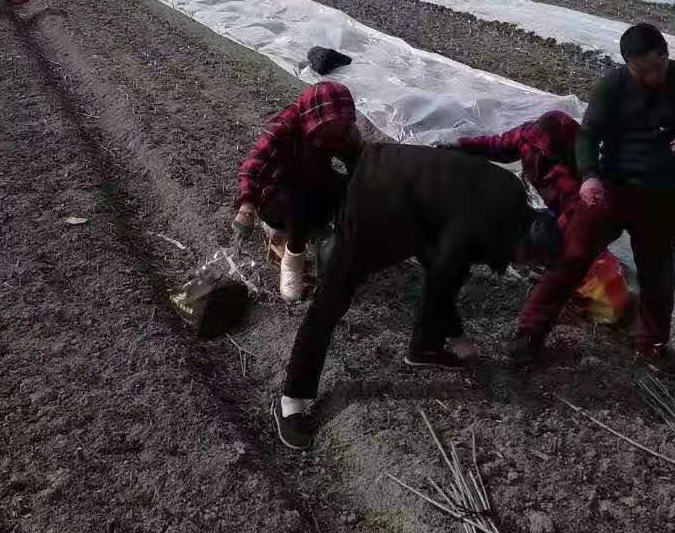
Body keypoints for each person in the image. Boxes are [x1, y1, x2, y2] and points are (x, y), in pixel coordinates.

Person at [272, 143, 562, 450]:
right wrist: (458, 334)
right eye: (526, 259)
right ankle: (292, 399)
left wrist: (453, 330)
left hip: (410, 193)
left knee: (451, 267)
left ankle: (425, 347)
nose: (522, 264)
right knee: (332, 298)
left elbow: (451, 248)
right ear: (524, 242)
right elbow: (442, 269)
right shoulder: (482, 224)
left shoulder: (511, 193)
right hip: (377, 199)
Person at [510, 23, 675, 373]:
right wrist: (589, 178)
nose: (652, 76)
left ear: (665, 53)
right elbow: (587, 136)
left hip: (660, 197)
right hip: (610, 191)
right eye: (642, 71)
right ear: (628, 66)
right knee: (571, 258)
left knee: (658, 278)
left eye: (657, 65)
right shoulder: (614, 86)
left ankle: (652, 348)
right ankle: (528, 334)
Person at [451, 109, 631, 323]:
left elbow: (582, 216)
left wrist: (558, 245)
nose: (544, 155)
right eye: (541, 149)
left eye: (550, 152)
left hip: (577, 218)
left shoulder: (585, 171)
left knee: (574, 259)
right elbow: (498, 145)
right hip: (555, 211)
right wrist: (461, 146)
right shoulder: (529, 138)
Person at [233, 82, 360, 303]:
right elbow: (253, 167)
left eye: (340, 129)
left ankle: (335, 248)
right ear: (314, 119)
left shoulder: (340, 129)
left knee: (347, 190)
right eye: (329, 130)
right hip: (277, 194)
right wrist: (247, 205)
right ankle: (292, 257)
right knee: (298, 204)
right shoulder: (283, 129)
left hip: (314, 179)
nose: (334, 137)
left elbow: (358, 161)